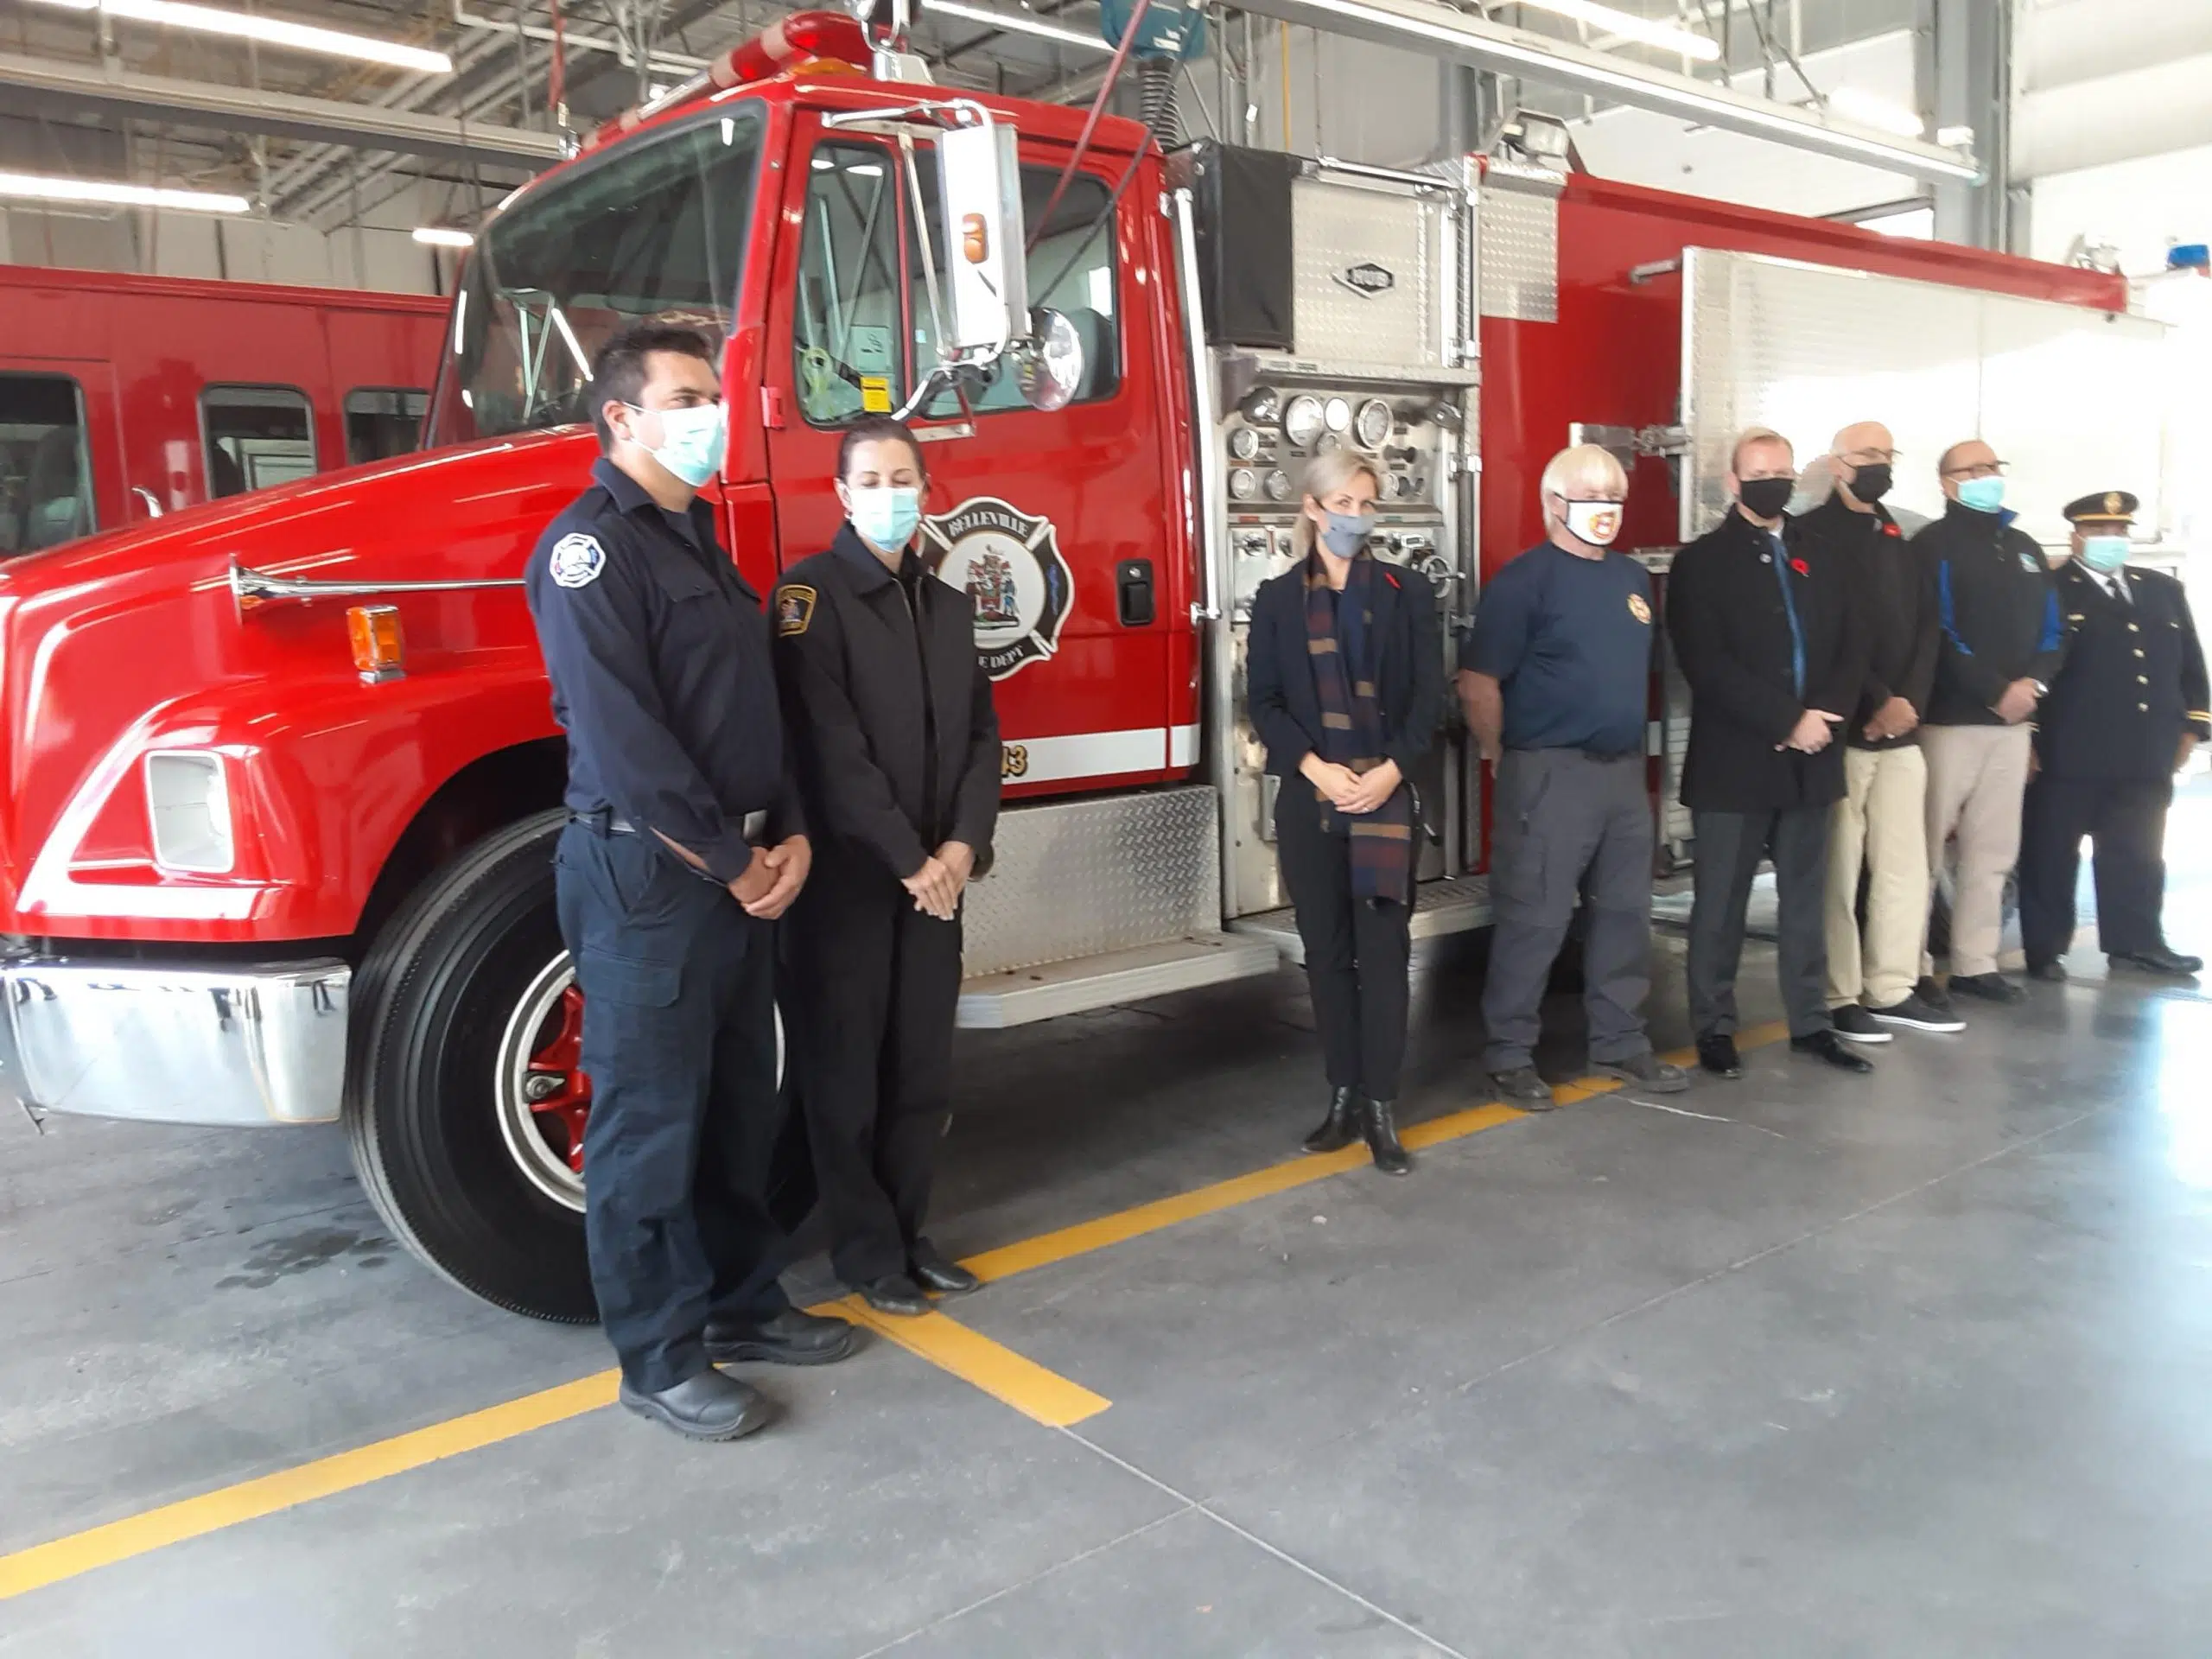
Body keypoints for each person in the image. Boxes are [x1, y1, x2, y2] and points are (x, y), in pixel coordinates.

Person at [525, 321, 855, 1444]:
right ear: (622, 417)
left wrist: (795, 831)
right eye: (688, 395)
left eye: (711, 393)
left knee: (730, 1112)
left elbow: (754, 713)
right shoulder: (590, 553)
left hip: (738, 867)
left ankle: (742, 1301)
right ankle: (658, 1357)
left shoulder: (697, 539)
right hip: (652, 880)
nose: (711, 412)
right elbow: (629, 745)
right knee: (647, 1125)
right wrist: (733, 861)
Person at [772, 417, 1001, 1313]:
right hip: (853, 885)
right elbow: (829, 752)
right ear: (840, 494)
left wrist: (959, 847)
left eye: (903, 477)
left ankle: (909, 1234)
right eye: (870, 479)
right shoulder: (809, 599)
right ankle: (866, 1256)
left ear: (927, 489)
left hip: (936, 880)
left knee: (921, 1071)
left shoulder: (947, 608)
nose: (889, 493)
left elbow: (982, 738)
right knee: (847, 1078)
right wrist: (910, 857)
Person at [1459, 443, 1688, 1106]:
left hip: (1621, 778)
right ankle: (1509, 1054)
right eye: (1591, 495)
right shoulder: (1523, 581)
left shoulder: (1631, 581)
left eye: (1615, 495)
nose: (1606, 508)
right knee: (1535, 920)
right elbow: (1479, 683)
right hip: (1549, 774)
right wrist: (1504, 757)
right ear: (1552, 503)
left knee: (1624, 914)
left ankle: (1620, 1041)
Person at [1248, 451, 1442, 1174]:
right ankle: (1343, 1095)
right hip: (1312, 798)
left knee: (1384, 956)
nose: (1355, 516)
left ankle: (1383, 1107)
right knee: (1326, 954)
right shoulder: (1276, 600)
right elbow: (1263, 700)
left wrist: (1390, 770)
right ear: (1311, 507)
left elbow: (1429, 700)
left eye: (1366, 502)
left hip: (1385, 797)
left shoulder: (1406, 591)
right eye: (1341, 502)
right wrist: (1315, 768)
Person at [1666, 429, 1870, 1077]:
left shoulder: (1826, 554)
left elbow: (1851, 648)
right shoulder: (1701, 562)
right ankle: (1715, 1029)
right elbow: (1707, 664)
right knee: (1720, 905)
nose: (1773, 481)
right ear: (1732, 482)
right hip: (1736, 761)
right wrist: (1788, 720)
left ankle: (1811, 1023)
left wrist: (1823, 721)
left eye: (1783, 471)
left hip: (1813, 759)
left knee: (1807, 902)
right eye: (1759, 472)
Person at [1795, 423, 1963, 1040]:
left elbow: (1927, 625)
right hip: (1846, 731)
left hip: (1902, 733)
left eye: (1888, 455)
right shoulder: (1811, 533)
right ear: (1838, 465)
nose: (1880, 465)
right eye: (1868, 455)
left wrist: (1910, 700)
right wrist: (1877, 699)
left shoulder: (1899, 533)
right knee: (1839, 873)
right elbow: (1826, 635)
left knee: (1905, 867)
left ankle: (1892, 987)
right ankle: (1840, 995)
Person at [2017, 491, 2208, 981]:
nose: (2112, 540)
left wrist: (2194, 725)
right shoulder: (2050, 589)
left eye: (2120, 532)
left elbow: (2190, 662)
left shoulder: (2160, 588)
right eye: (2100, 532)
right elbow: (2031, 666)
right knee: (2051, 853)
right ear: (2075, 536)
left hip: (2147, 751)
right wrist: (2031, 736)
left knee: (2139, 853)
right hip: (2070, 751)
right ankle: (2045, 947)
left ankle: (2138, 942)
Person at [1914, 439, 2065, 1004]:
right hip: (1950, 724)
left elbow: (2055, 632)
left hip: (2013, 726)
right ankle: (1913, 966)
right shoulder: (1933, 547)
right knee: (1926, 853)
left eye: (1991, 467)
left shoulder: (2023, 546)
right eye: (1971, 469)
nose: (1985, 476)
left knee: (1993, 850)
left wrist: (2033, 689)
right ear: (1947, 483)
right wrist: (1995, 690)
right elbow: (1938, 632)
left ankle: (1976, 963)